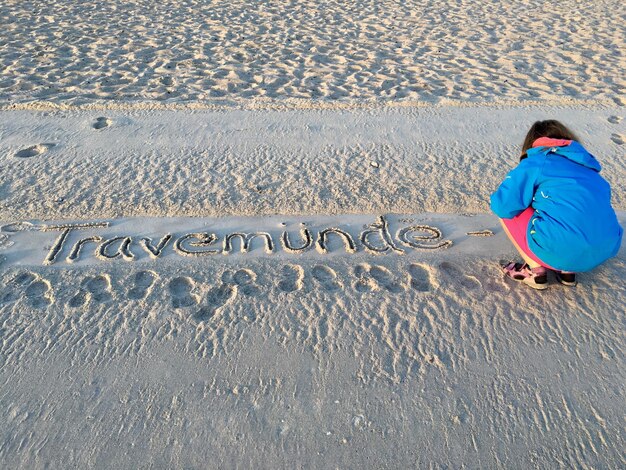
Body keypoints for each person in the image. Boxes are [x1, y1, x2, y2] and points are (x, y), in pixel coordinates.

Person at [490, 120, 623, 289]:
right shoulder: (589, 168)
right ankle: (567, 272)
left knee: (510, 207)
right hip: (604, 249)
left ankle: (536, 272)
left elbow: (502, 205)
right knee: (573, 209)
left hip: (563, 248)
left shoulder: (537, 161)